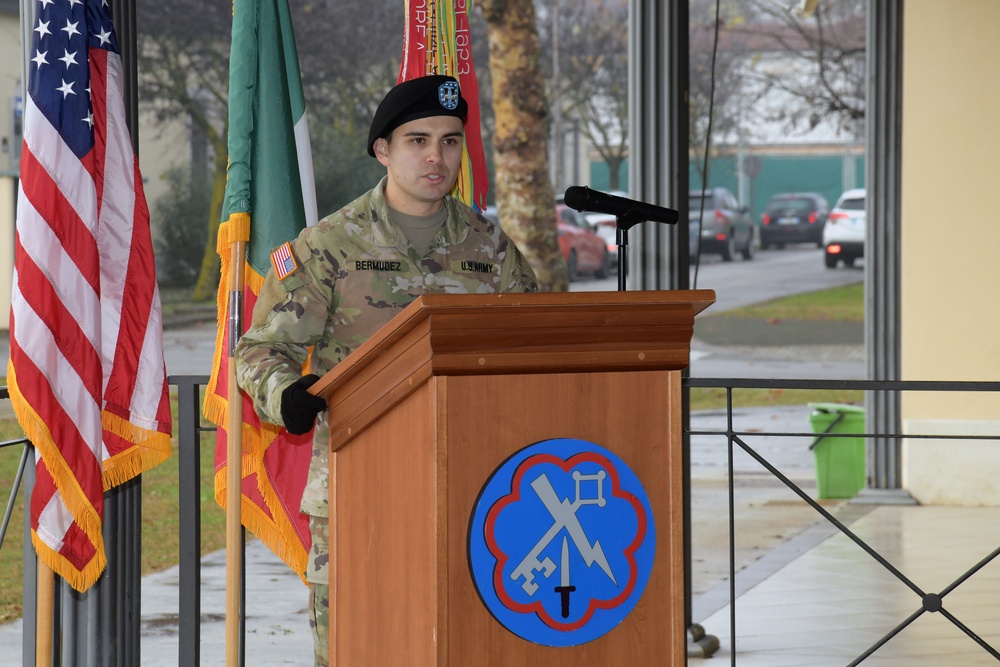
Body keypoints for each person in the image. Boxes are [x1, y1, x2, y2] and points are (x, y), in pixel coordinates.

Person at [234, 74, 538, 666]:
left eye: (450, 141)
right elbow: (259, 348)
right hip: (360, 494)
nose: (436, 156)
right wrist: (286, 393)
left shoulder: (491, 249)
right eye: (417, 140)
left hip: (475, 494)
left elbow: (530, 348)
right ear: (383, 150)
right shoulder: (329, 246)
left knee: (467, 647)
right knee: (360, 649)